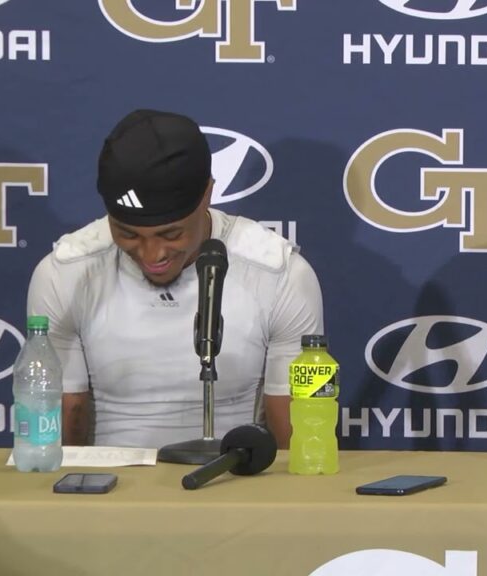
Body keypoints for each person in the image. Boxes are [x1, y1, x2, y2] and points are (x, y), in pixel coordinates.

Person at [26, 109, 323, 449]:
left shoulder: (279, 274)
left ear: (207, 195)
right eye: (128, 234)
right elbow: (62, 427)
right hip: (108, 492)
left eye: (171, 234)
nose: (153, 255)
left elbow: (297, 441)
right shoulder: (65, 273)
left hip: (235, 488)